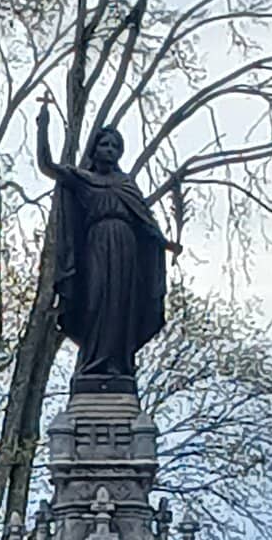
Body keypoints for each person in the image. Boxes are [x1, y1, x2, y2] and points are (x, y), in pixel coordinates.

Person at [36, 94, 181, 380]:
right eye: (104, 144)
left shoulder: (126, 184)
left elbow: (145, 223)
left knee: (121, 302)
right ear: (94, 149)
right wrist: (42, 127)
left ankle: (118, 364)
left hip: (126, 247)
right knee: (96, 297)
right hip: (97, 245)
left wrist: (166, 244)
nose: (110, 150)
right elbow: (47, 165)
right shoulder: (82, 179)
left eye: (115, 146)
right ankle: (93, 362)